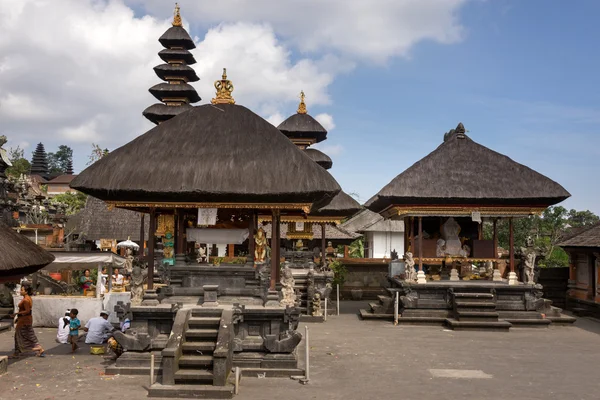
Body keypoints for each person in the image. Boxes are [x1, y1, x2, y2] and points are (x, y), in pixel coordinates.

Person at [10, 283, 45, 358]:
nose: (20, 291)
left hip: (24, 321)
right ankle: (17, 352)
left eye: (22, 290)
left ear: (26, 291)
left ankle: (37, 348)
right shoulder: (28, 298)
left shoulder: (26, 300)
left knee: (20, 336)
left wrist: (17, 313)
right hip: (25, 319)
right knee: (27, 335)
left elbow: (27, 311)